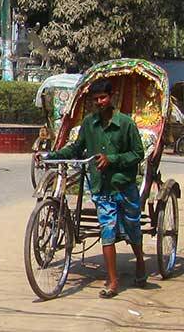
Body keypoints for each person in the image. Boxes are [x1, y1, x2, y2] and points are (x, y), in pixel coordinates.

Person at [38, 80, 145, 298]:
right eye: (95, 99)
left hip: (123, 184)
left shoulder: (126, 124)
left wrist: (112, 159)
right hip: (101, 186)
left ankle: (141, 263)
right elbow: (77, 148)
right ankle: (113, 281)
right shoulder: (89, 123)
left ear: (111, 96)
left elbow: (138, 154)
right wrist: (53, 156)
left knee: (133, 227)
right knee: (107, 229)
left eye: (102, 98)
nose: (99, 102)